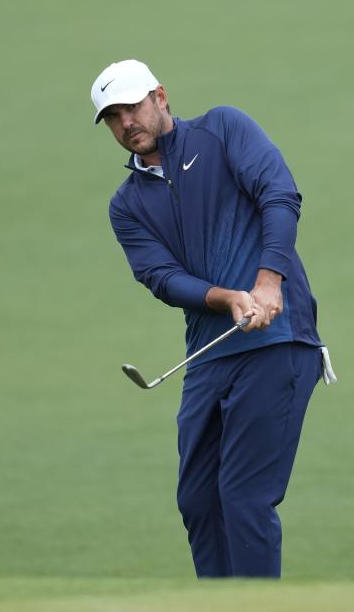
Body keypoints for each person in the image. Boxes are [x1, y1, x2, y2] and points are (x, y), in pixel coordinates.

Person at [91, 59, 334, 578]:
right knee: (199, 501)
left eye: (131, 107)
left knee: (245, 498)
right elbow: (160, 277)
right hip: (208, 356)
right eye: (112, 117)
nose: (125, 122)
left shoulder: (223, 130)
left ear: (160, 96)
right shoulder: (127, 204)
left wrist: (268, 281)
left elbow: (280, 194)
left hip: (277, 342)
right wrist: (226, 298)